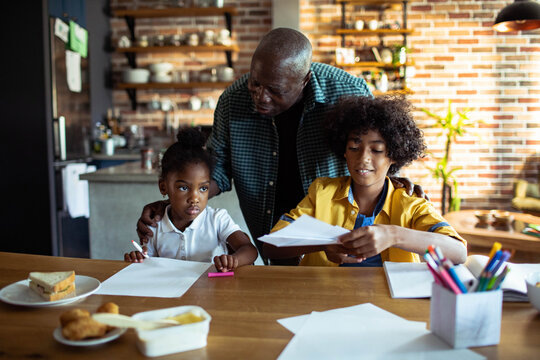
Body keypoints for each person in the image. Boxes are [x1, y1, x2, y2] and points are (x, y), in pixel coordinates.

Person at [136, 28, 423, 265]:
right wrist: (175, 201)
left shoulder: (345, 90)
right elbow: (217, 171)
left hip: (332, 237)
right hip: (273, 232)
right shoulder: (233, 101)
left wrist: (391, 182)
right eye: (256, 83)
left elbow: (377, 147)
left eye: (276, 90)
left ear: (304, 80)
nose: (261, 97)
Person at [262, 95, 467, 266]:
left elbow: (458, 252)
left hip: (389, 304)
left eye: (377, 150)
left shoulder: (409, 202)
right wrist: (323, 244)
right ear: (343, 150)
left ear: (394, 154)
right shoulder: (322, 192)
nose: (363, 158)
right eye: (354, 148)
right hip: (324, 298)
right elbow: (271, 246)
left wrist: (393, 235)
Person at [125, 128, 258, 272]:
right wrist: (138, 259)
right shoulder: (155, 224)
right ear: (163, 187)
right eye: (183, 188)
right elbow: (148, 263)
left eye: (203, 189)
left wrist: (233, 260)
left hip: (212, 290)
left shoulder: (217, 219)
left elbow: (249, 250)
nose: (195, 198)